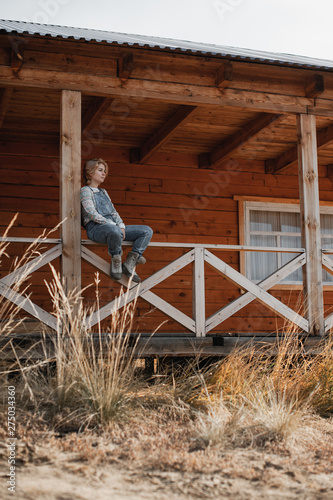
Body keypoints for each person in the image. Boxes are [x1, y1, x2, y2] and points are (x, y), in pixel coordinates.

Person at [80, 158, 153, 283]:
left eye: (105, 171)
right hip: (96, 228)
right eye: (100, 170)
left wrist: (121, 225)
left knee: (146, 231)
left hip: (113, 227)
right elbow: (91, 213)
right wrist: (114, 225)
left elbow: (113, 212)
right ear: (90, 173)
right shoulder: (85, 190)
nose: (104, 173)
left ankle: (130, 262)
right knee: (114, 231)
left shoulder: (104, 192)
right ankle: (116, 259)